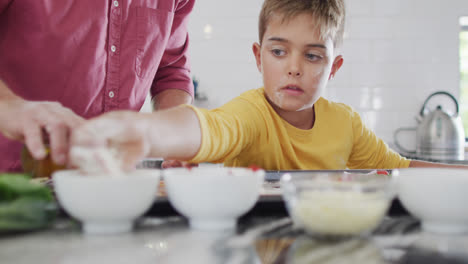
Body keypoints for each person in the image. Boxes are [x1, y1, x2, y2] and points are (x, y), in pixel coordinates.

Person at [69, 0, 466, 171]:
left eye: (312, 56)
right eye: (279, 53)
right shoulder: (251, 113)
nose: (293, 69)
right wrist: (141, 128)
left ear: (334, 66)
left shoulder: (345, 124)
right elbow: (207, 127)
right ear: (258, 57)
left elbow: (401, 168)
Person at [0, 0, 195, 172]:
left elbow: (171, 71)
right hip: (11, 180)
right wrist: (8, 105)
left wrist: (176, 139)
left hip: (112, 179)